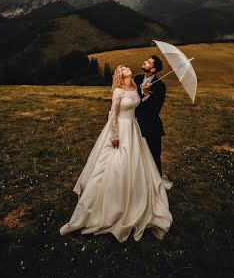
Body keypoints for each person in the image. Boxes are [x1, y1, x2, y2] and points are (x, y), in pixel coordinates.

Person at [59, 64, 172, 242]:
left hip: (134, 129)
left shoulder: (135, 86)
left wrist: (145, 93)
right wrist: (114, 135)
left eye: (126, 67)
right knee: (115, 163)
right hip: (120, 127)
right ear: (119, 75)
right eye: (122, 68)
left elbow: (139, 104)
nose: (126, 68)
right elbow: (113, 114)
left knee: (136, 162)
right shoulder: (118, 91)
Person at [135, 55, 171, 186]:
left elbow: (155, 110)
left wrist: (146, 95)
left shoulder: (160, 86)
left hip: (152, 127)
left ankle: (156, 183)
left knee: (154, 156)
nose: (145, 62)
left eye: (149, 62)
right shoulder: (138, 78)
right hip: (135, 125)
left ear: (153, 69)